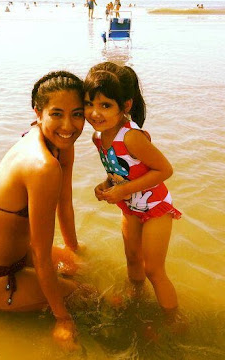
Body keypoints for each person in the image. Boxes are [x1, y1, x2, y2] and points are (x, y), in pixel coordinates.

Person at [0, 71, 86, 348]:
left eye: (77, 114)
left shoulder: (58, 141)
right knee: (87, 297)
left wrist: (73, 250)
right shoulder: (42, 167)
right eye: (57, 114)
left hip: (7, 253)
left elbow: (65, 203)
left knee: (77, 267)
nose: (68, 125)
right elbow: (41, 255)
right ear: (38, 113)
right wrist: (63, 319)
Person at [83, 62, 181, 320]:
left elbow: (164, 170)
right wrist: (107, 184)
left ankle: (174, 321)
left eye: (105, 105)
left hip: (155, 207)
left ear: (125, 106)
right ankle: (137, 301)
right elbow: (119, 168)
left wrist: (123, 189)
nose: (95, 113)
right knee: (132, 259)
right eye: (89, 103)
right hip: (130, 207)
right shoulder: (98, 137)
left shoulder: (131, 137)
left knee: (153, 270)